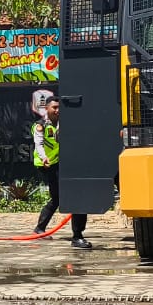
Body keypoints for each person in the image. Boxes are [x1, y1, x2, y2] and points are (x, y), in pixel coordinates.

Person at [32, 97, 92, 250]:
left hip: (59, 164)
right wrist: (44, 157)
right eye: (54, 107)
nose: (57, 110)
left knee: (59, 198)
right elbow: (39, 144)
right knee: (65, 197)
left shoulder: (62, 124)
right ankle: (76, 236)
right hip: (46, 165)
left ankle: (40, 229)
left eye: (59, 107)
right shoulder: (40, 126)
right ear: (47, 109)